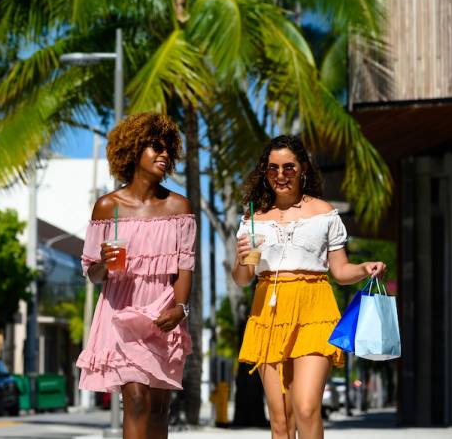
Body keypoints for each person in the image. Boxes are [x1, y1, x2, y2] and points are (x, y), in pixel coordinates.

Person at [232, 135, 386, 439]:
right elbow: (243, 277)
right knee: (281, 421)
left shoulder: (323, 213)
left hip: (314, 308)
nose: (280, 175)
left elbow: (340, 271)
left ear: (303, 168)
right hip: (269, 313)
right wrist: (241, 258)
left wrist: (364, 269)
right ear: (265, 171)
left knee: (305, 407)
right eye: (273, 168)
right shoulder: (254, 218)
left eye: (288, 167)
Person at [77, 112, 196, 439]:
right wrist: (102, 261)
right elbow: (94, 274)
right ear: (132, 151)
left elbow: (184, 268)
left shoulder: (179, 208)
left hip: (164, 314)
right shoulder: (107, 207)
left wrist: (180, 309)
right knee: (137, 400)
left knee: (159, 410)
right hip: (120, 315)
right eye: (155, 147)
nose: (164, 155)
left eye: (167, 149)